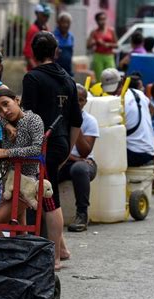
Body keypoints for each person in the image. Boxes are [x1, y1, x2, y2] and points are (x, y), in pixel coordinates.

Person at [21, 31, 83, 270]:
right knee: (49, 189)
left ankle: (54, 257)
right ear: (56, 51)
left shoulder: (32, 78)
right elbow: (76, 121)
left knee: (50, 198)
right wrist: (67, 149)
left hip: (43, 145)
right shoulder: (68, 79)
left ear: (33, 52)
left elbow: (28, 118)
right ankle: (63, 249)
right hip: (61, 143)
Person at [0, 89, 44, 236]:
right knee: (19, 229)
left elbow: (37, 149)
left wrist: (7, 153)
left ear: (17, 100)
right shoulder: (7, 123)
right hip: (9, 182)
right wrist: (5, 124)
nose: (5, 111)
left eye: (6, 104)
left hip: (25, 184)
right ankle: (20, 257)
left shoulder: (33, 119)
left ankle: (5, 256)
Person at [59, 84, 99, 232]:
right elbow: (56, 149)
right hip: (64, 160)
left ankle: (82, 215)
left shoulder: (90, 121)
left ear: (85, 103)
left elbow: (85, 152)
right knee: (46, 170)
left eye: (81, 100)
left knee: (80, 169)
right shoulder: (58, 118)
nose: (77, 104)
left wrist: (76, 124)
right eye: (74, 100)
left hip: (85, 163)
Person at [87, 11, 117, 81]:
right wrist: (95, 42)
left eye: (104, 19)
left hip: (109, 56)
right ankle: (100, 91)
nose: (102, 21)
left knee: (111, 77)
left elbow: (117, 45)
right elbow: (88, 46)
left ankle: (110, 91)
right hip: (98, 56)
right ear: (97, 21)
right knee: (99, 78)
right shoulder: (94, 32)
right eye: (100, 19)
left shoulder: (111, 30)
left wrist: (108, 44)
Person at [23, 3, 51, 71]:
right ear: (37, 14)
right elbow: (28, 54)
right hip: (35, 71)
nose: (46, 18)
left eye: (48, 15)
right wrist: (37, 70)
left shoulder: (46, 29)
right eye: (44, 15)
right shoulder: (32, 30)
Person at [53, 12, 74, 77]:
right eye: (63, 22)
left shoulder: (71, 36)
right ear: (58, 23)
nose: (65, 25)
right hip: (56, 71)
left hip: (68, 71)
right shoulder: (53, 36)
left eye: (67, 22)